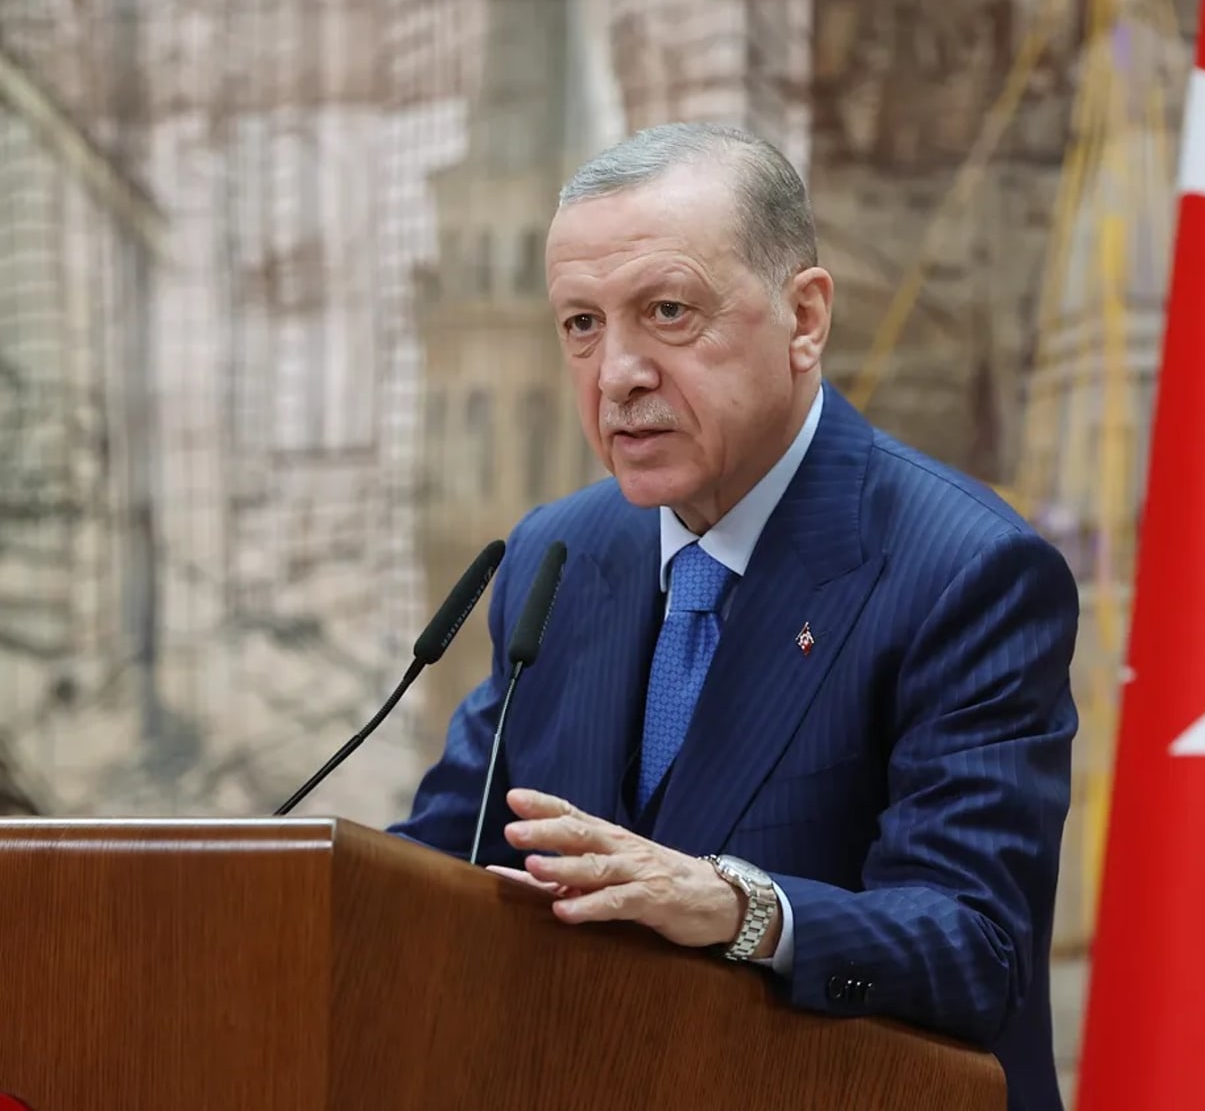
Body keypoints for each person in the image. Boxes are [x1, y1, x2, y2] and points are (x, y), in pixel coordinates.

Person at [391, 122, 1080, 1111]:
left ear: (805, 317)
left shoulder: (966, 570)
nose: (616, 371)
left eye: (667, 310)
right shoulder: (560, 553)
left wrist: (740, 907)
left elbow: (975, 945)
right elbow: (441, 869)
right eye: (581, 324)